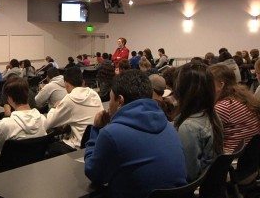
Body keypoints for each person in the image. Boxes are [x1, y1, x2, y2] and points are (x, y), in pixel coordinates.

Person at [84, 70, 187, 198]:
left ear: (120, 100)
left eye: (111, 99)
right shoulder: (169, 125)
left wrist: (96, 130)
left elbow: (94, 174)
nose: (109, 106)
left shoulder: (111, 134)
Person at [0, 77, 47, 165]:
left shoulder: (6, 125)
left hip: (6, 169)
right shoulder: (42, 120)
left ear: (9, 98)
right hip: (34, 167)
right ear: (28, 94)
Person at [174, 62, 224, 182]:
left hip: (197, 186)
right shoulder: (212, 115)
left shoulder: (188, 127)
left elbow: (190, 173)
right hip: (211, 182)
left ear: (181, 90)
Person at [45, 67, 104, 155]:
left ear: (66, 84)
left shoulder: (69, 99)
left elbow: (48, 123)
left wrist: (54, 107)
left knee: (50, 147)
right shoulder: (94, 93)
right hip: (97, 142)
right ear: (82, 81)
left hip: (79, 147)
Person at [209, 64, 260, 154]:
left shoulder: (224, 106)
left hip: (228, 157)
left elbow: (203, 132)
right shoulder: (241, 97)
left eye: (208, 83)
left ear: (221, 85)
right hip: (247, 155)